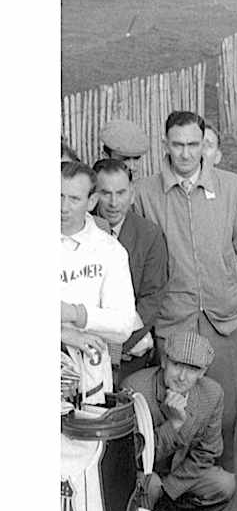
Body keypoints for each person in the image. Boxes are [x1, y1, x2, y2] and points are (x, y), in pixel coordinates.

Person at [133, 111, 237, 511]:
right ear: (165, 144)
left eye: (194, 144)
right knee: (176, 417)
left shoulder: (231, 187)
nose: (186, 154)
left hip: (228, 321)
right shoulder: (146, 192)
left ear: (204, 143)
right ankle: (166, 510)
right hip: (175, 324)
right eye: (177, 144)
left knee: (232, 415)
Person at [125, 332, 237, 511]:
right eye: (177, 365)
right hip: (145, 474)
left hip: (180, 475)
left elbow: (207, 453)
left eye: (193, 369)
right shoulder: (135, 388)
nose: (182, 377)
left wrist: (170, 490)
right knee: (150, 485)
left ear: (203, 372)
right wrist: (174, 424)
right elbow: (135, 456)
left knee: (224, 484)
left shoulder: (212, 393)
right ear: (165, 361)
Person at [89, 158, 168, 380]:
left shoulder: (149, 235)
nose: (114, 202)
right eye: (106, 193)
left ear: (132, 194)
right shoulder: (81, 231)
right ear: (93, 195)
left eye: (121, 193)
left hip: (130, 350)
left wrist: (119, 343)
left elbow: (152, 298)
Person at [61, 160, 139, 376]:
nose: (63, 207)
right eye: (58, 196)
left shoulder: (109, 250)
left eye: (74, 199)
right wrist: (62, 334)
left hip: (90, 371)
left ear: (91, 201)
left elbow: (123, 323)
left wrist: (77, 314)